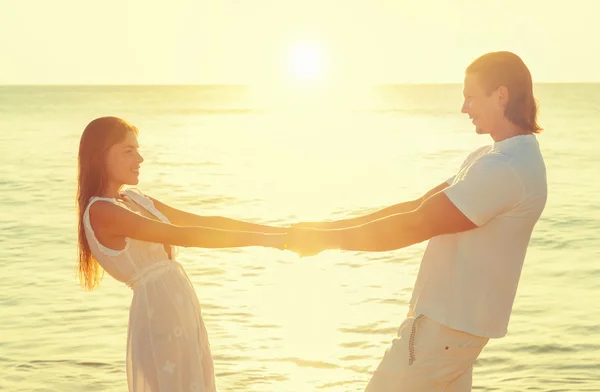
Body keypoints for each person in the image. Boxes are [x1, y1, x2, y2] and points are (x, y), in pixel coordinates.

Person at [287, 51, 548, 391]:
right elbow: (417, 207)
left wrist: (323, 241)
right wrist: (327, 228)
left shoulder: (506, 168)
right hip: (453, 331)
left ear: (501, 96)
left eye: (470, 97)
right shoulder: (492, 157)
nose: (464, 108)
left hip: (442, 331)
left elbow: (415, 225)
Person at [76, 116, 287, 392]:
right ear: (99, 156)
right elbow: (185, 236)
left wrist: (281, 232)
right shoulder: (101, 211)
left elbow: (201, 221)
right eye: (128, 150)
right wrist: (268, 241)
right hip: (159, 315)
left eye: (138, 149)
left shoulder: (136, 199)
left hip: (179, 308)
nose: (139, 158)